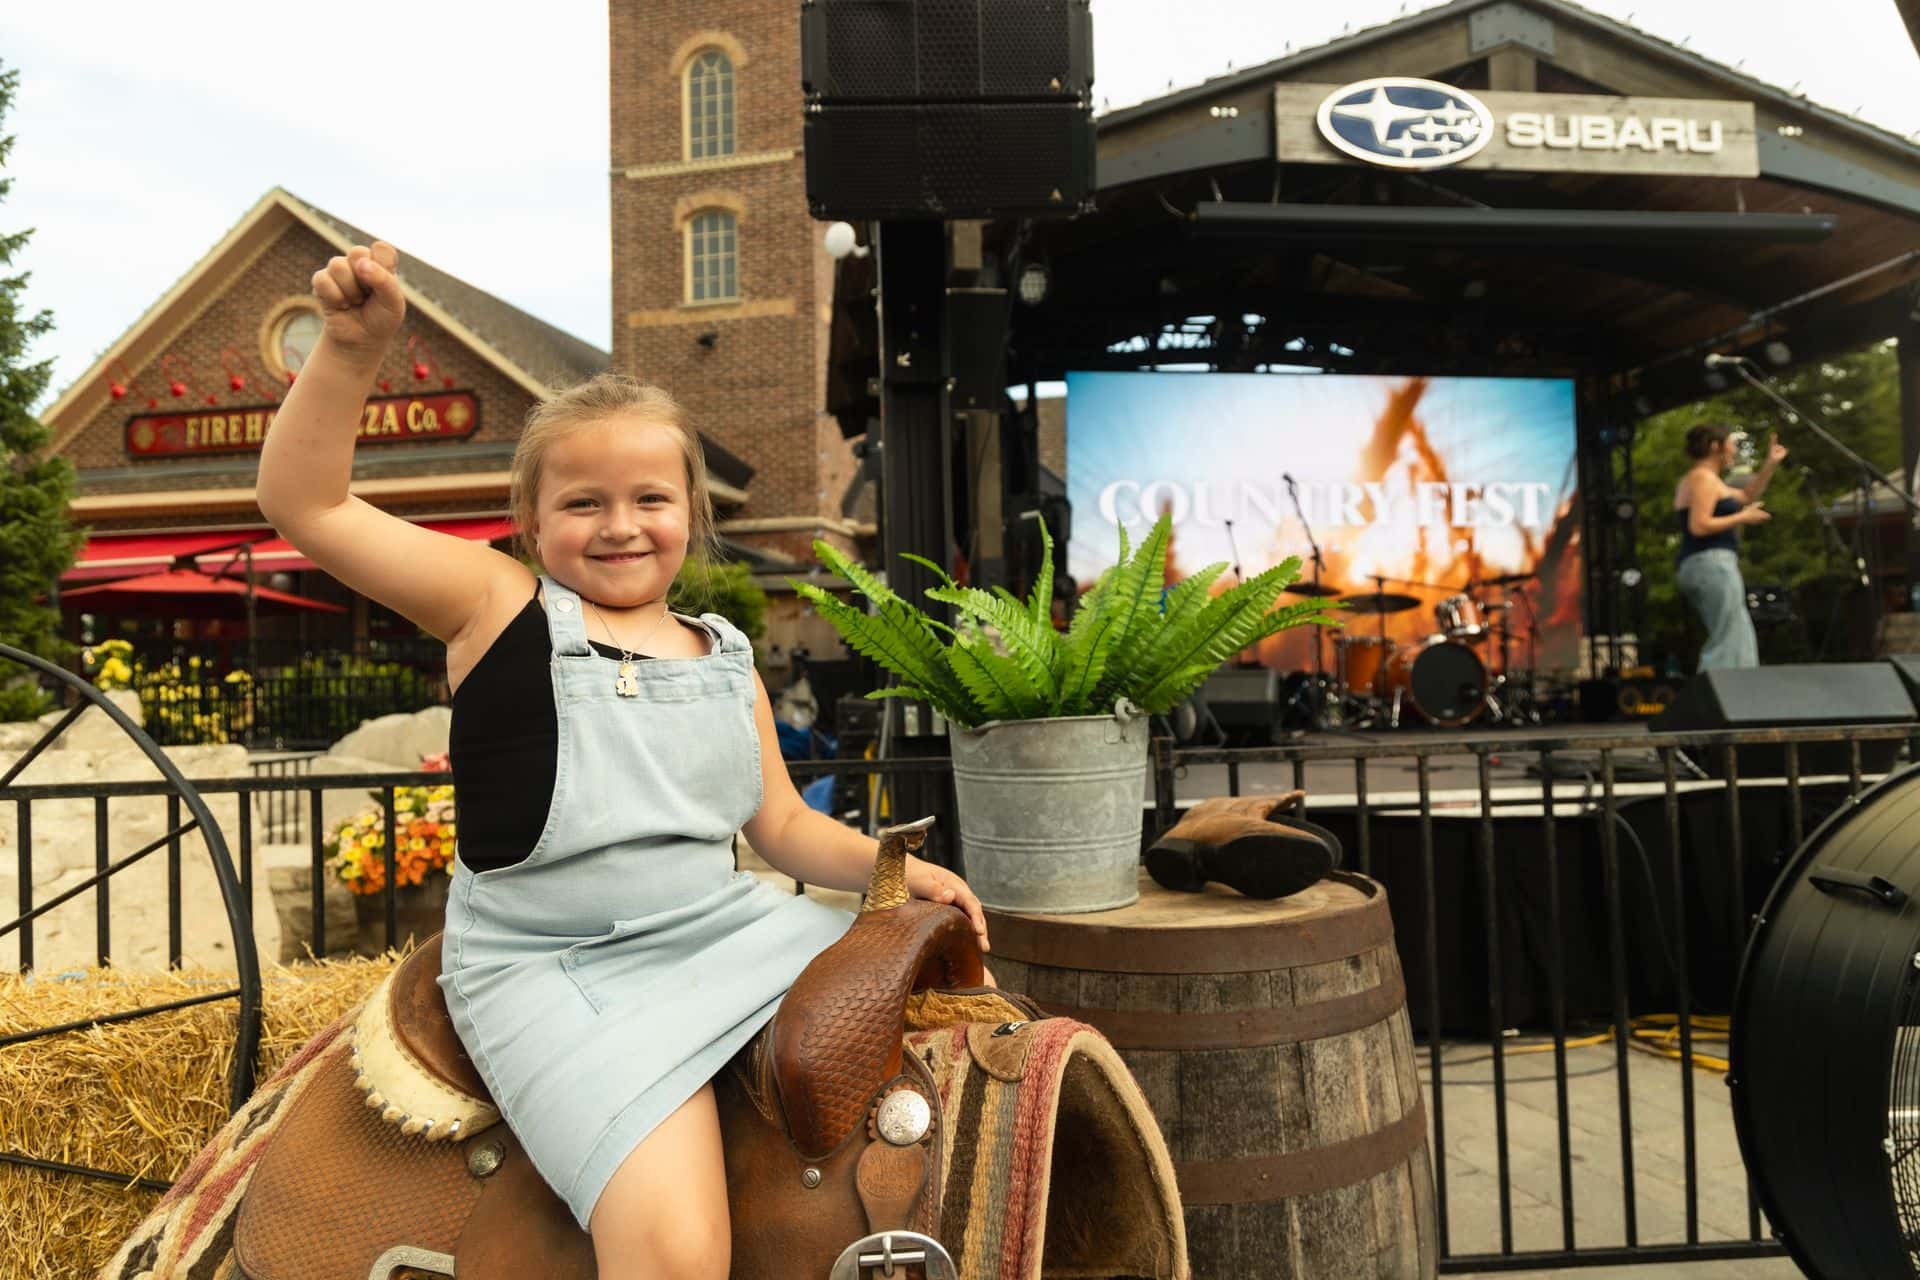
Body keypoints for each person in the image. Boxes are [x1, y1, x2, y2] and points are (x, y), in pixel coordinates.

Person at [256, 241, 992, 1280]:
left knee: (969, 1047)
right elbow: (309, 506)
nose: (619, 525)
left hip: (727, 930)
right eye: (583, 502)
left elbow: (776, 825)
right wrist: (349, 348)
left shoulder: (725, 652)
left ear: (694, 513)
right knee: (676, 1250)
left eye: (650, 498)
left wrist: (891, 867)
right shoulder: (496, 605)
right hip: (561, 970)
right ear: (532, 521)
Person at [1672, 422, 1785, 671]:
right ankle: (1719, 699)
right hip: (1709, 562)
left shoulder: (1710, 480)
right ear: (1715, 447)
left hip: (1710, 563)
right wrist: (1742, 518)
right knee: (1729, 638)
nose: (1734, 450)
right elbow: (1699, 525)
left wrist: (1770, 463)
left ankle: (1738, 696)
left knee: (1737, 635)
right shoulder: (1701, 477)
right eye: (1731, 444)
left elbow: (1746, 496)